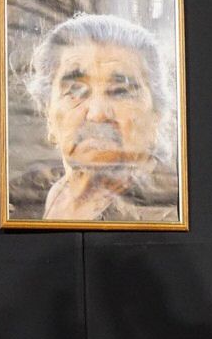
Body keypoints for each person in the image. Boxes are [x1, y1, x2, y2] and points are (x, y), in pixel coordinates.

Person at [22, 13, 178, 222]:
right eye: (75, 90)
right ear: (47, 112)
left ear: (156, 115)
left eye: (120, 91)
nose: (97, 114)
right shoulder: (24, 199)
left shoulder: (177, 209)